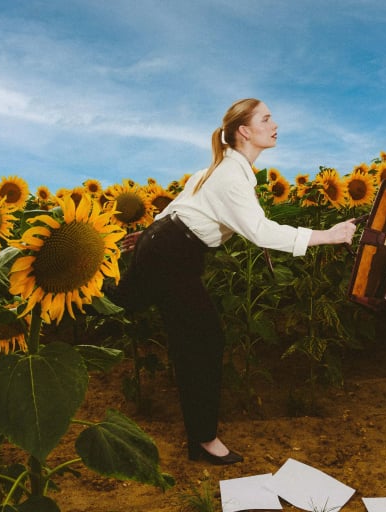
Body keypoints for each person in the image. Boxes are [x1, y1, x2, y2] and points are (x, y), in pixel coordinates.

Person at [113, 98, 357, 465]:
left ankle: (200, 438)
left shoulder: (223, 167)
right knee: (203, 340)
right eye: (266, 119)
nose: (275, 125)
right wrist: (328, 235)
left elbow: (180, 204)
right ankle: (203, 441)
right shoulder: (230, 175)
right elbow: (260, 232)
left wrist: (150, 233)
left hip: (168, 248)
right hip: (172, 254)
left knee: (124, 308)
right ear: (244, 130)